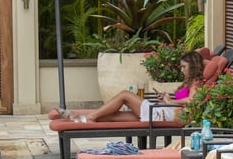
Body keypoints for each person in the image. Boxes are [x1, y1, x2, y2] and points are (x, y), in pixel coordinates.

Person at [50, 50, 204, 122]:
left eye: (184, 67)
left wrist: (171, 102)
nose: (182, 70)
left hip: (165, 115)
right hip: (163, 111)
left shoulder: (196, 82)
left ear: (193, 66)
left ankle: (86, 116)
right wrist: (166, 98)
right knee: (111, 116)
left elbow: (193, 101)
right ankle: (78, 118)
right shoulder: (189, 82)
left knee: (125, 95)